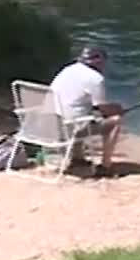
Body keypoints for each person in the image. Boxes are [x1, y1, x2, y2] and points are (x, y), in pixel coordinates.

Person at [49, 45, 123, 177]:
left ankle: (77, 159)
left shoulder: (68, 69)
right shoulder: (95, 78)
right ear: (99, 61)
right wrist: (118, 109)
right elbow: (104, 109)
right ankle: (105, 167)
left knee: (78, 113)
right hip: (70, 127)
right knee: (115, 122)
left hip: (50, 125)